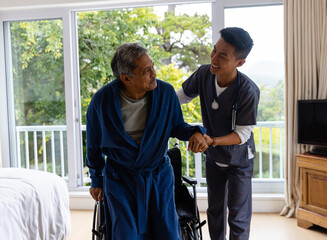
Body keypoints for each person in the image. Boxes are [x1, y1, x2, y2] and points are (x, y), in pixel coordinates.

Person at [85, 42, 208, 240]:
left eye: (153, 66)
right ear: (127, 78)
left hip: (157, 176)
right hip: (120, 179)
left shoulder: (166, 94)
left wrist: (196, 133)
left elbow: (177, 126)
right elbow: (93, 146)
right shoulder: (101, 102)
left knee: (166, 233)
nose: (154, 73)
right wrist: (96, 179)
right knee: (125, 235)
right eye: (146, 70)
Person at [177, 27, 260, 240]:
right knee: (214, 212)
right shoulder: (204, 73)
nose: (214, 58)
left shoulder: (247, 91)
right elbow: (181, 97)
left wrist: (211, 140)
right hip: (215, 159)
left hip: (239, 160)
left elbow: (242, 134)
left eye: (222, 56)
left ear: (239, 63)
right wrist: (155, 102)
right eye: (214, 50)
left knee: (238, 216)